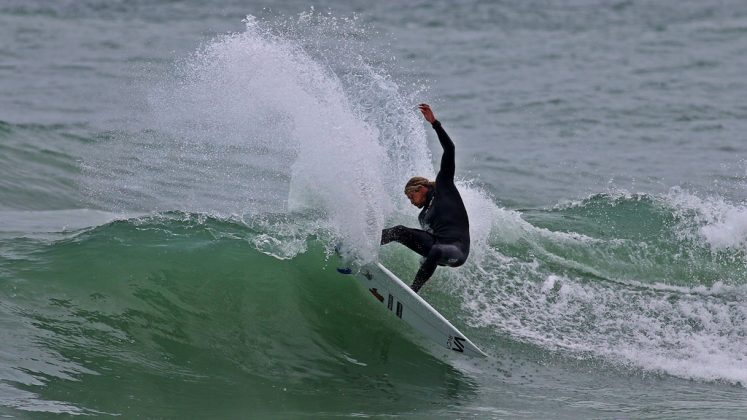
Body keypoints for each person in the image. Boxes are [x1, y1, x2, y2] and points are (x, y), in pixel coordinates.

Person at [380, 103, 470, 293]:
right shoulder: (423, 217)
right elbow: (426, 242)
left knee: (437, 250)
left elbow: (450, 150)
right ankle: (365, 246)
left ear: (420, 188)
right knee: (399, 230)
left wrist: (435, 123)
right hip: (436, 246)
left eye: (411, 196)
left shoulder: (444, 187)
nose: (411, 201)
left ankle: (413, 292)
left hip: (456, 251)